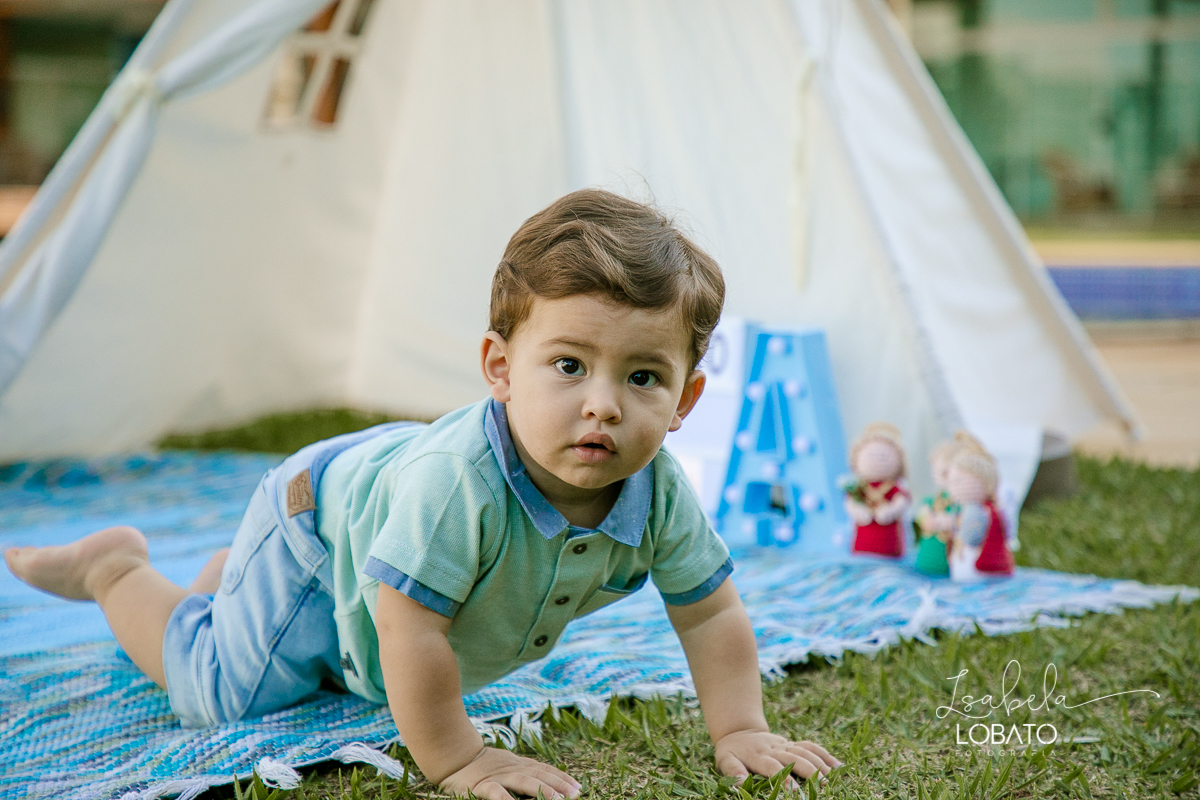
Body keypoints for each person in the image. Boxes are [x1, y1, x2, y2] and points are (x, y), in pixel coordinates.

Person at [6, 189, 839, 799]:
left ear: (687, 400)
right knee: (225, 690)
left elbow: (711, 612)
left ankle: (234, 577)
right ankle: (117, 572)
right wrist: (459, 758)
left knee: (345, 653)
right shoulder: (459, 494)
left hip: (384, 515)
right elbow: (409, 626)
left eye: (644, 375)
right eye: (568, 364)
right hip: (320, 530)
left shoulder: (656, 493)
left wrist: (740, 726)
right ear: (500, 369)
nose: (603, 403)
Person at [843, 422, 910, 558]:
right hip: (863, 544)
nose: (878, 460)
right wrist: (857, 510)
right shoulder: (860, 486)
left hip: (889, 544)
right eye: (871, 456)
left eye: (884, 457)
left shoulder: (893, 487)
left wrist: (891, 511)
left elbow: (902, 502)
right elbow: (850, 502)